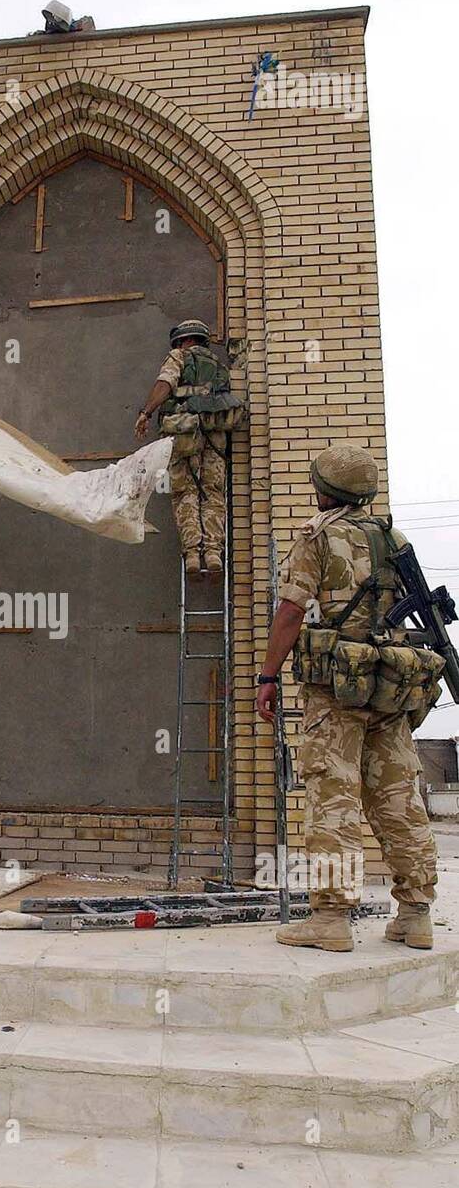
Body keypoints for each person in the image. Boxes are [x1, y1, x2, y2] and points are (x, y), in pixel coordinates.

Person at [256, 444, 439, 952]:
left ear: (324, 489)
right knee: (399, 799)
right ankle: (416, 915)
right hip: (388, 688)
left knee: (333, 798)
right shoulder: (391, 537)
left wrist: (267, 676)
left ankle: (331, 920)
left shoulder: (319, 537)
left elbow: (291, 612)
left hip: (337, 693)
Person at [135, 318, 243, 577]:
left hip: (184, 433)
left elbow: (166, 384)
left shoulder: (178, 356)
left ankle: (193, 554)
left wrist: (146, 413)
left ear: (183, 340)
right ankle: (214, 551)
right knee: (213, 493)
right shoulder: (219, 366)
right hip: (216, 439)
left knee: (185, 493)